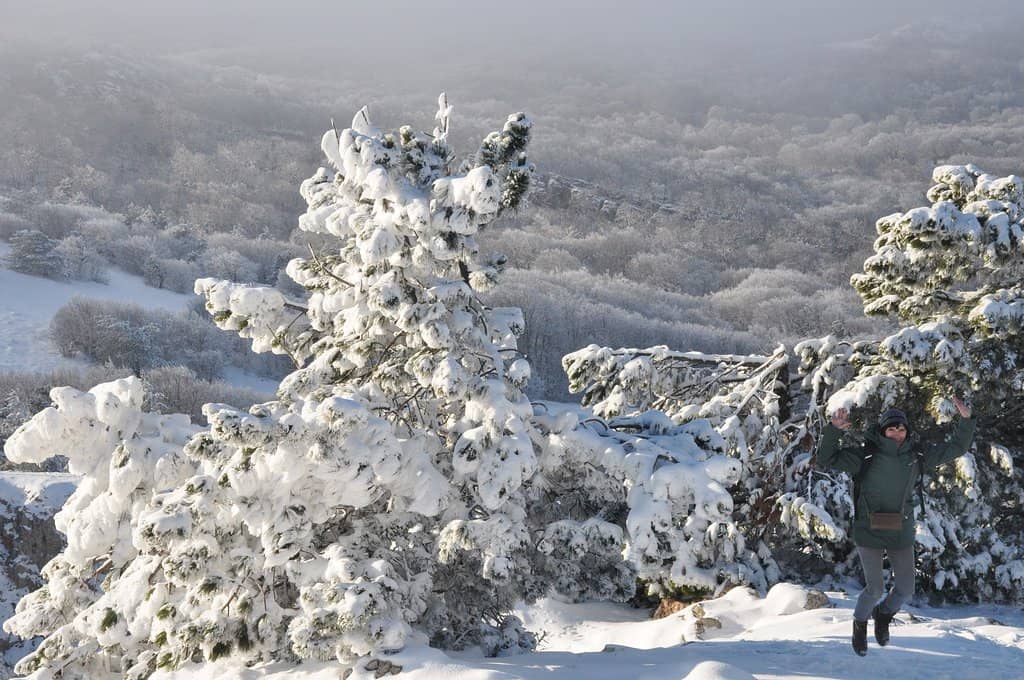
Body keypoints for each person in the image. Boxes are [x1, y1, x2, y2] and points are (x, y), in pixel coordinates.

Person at [816, 396, 975, 656]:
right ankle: (859, 625)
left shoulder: (917, 456)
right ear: (882, 431)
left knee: (905, 589)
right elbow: (827, 458)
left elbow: (956, 447)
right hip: (869, 531)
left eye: (901, 429)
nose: (898, 433)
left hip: (901, 530)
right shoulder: (865, 456)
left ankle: (883, 615)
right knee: (875, 587)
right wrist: (833, 429)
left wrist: (967, 420)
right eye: (892, 428)